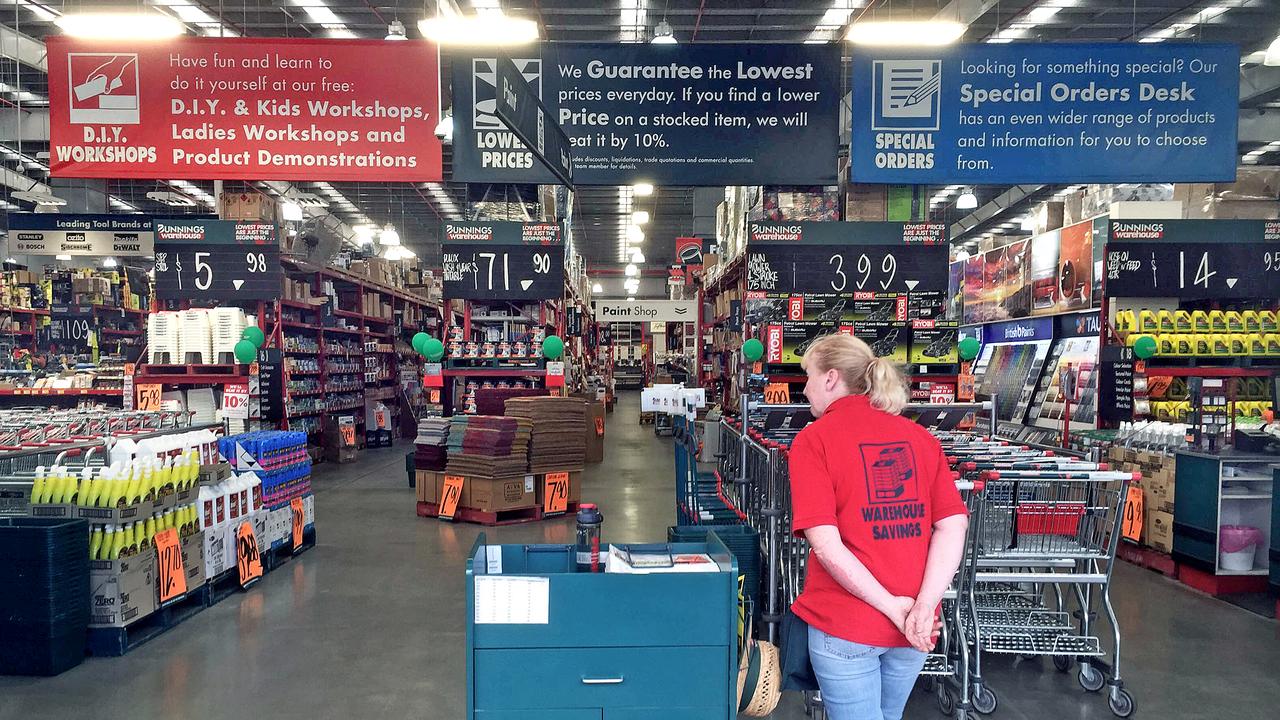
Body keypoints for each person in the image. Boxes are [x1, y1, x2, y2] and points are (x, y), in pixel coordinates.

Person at [787, 334, 969, 720]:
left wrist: (893, 608)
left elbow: (827, 547)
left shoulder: (813, 441)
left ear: (832, 378)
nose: (804, 390)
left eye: (808, 376)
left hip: (848, 622)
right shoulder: (920, 438)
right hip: (916, 624)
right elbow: (953, 525)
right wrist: (921, 607)